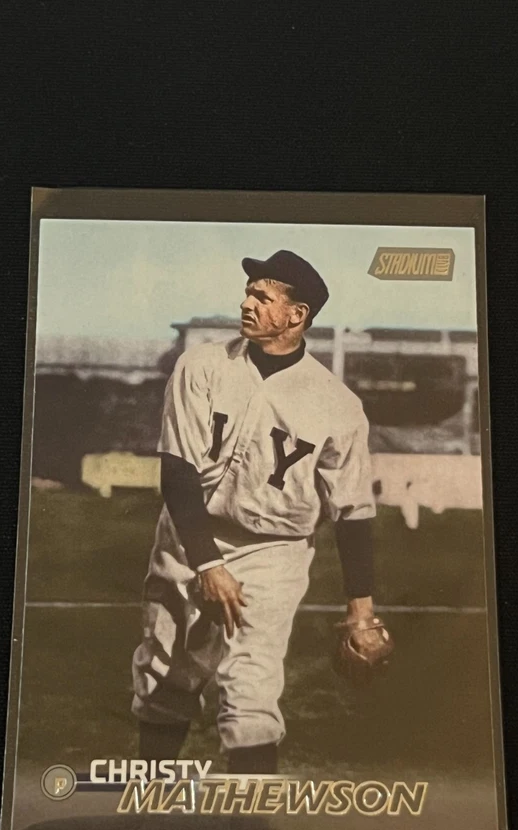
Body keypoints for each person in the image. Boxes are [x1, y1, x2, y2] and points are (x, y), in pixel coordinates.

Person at [131, 249, 385, 774]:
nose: (246, 303)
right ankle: (151, 806)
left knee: (250, 690)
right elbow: (177, 471)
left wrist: (361, 611)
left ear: (296, 315)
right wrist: (208, 564)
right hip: (188, 537)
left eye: (262, 297)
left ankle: (251, 816)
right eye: (248, 293)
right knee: (164, 677)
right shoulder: (202, 365)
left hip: (274, 552)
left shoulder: (336, 404)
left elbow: (354, 511)